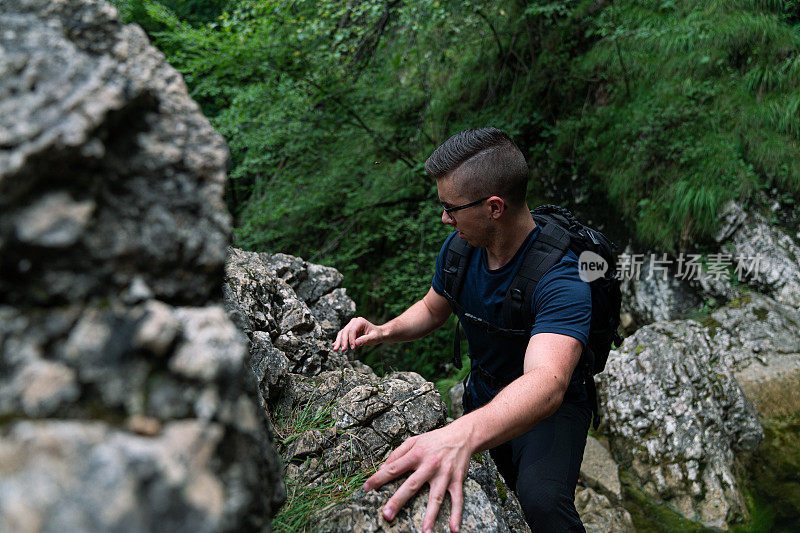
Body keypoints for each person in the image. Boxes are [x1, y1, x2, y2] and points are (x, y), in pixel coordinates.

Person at [332, 127, 593, 532]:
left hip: (548, 415)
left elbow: (548, 380)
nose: (444, 217)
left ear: (494, 207)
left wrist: (461, 434)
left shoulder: (563, 277)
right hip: (484, 394)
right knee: (495, 494)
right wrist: (384, 330)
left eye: (451, 208)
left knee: (542, 503)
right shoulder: (461, 247)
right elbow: (433, 308)